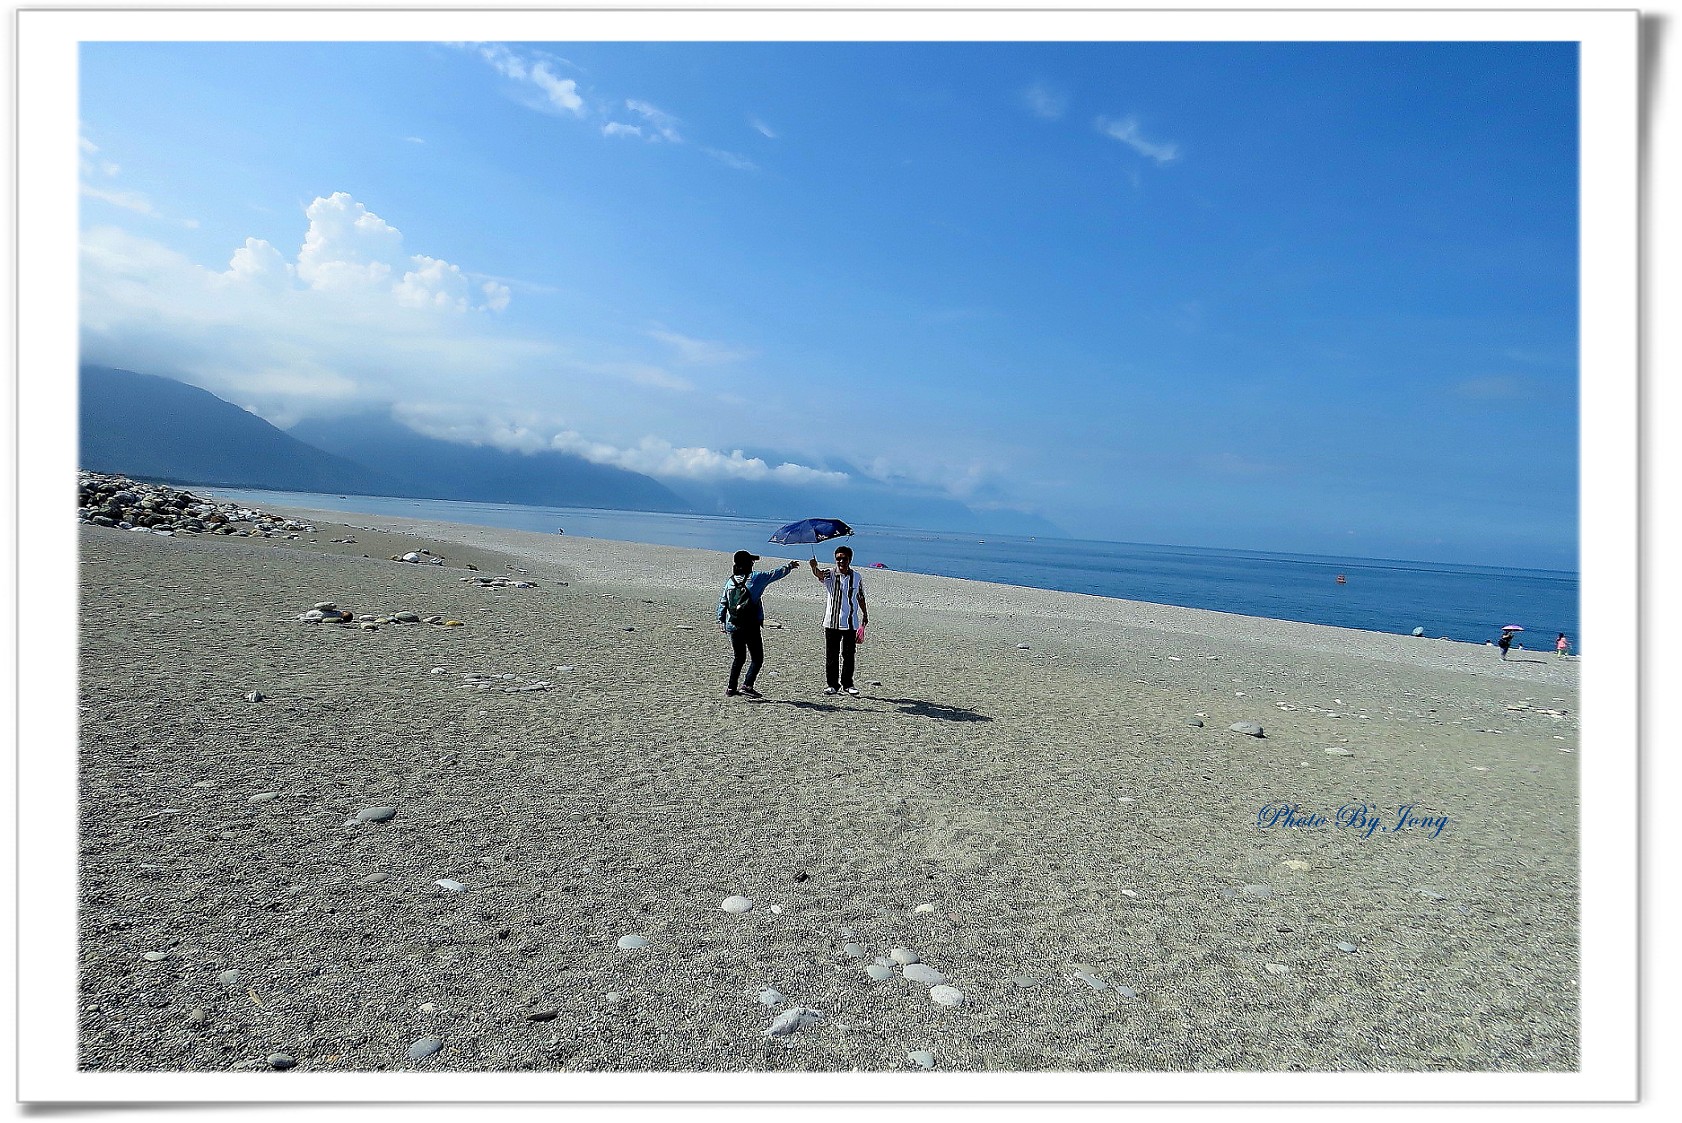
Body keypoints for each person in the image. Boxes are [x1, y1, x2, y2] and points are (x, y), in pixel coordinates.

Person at [716, 550, 799, 699]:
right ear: (748, 564)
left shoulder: (730, 581)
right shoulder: (755, 578)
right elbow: (774, 574)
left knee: (739, 657)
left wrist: (721, 620)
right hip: (750, 625)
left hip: (732, 624)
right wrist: (789, 566)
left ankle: (731, 688)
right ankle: (747, 685)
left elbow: (723, 602)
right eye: (751, 562)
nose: (753, 564)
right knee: (757, 658)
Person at [809, 544, 868, 695]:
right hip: (832, 622)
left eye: (844, 559)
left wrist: (865, 614)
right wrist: (814, 567)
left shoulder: (856, 577)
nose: (841, 561)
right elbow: (819, 575)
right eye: (838, 559)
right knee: (832, 655)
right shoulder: (830, 574)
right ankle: (832, 685)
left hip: (850, 622)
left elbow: (860, 596)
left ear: (850, 559)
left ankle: (848, 684)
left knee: (849, 655)